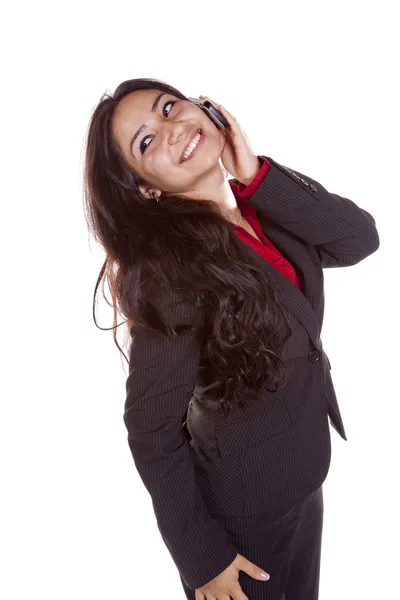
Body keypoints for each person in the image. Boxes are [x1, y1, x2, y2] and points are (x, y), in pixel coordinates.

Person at [82, 78, 380, 600]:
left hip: (302, 478)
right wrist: (202, 556)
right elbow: (151, 428)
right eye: (146, 142)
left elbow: (358, 238)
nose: (173, 130)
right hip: (240, 518)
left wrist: (256, 174)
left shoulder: (265, 209)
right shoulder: (167, 273)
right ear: (145, 187)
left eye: (169, 107)